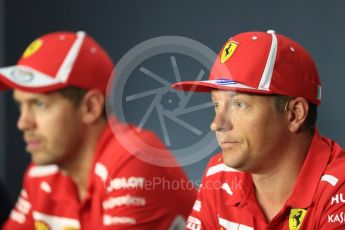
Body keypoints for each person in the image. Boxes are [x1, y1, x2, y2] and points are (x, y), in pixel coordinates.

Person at [0, 31, 196, 229]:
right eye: (20, 106)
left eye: (39, 104)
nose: (23, 123)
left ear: (90, 107)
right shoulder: (41, 173)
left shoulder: (134, 157)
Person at [172, 30, 345, 229]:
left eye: (239, 104)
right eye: (216, 104)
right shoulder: (219, 174)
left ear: (295, 114)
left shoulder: (339, 188)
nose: (217, 123)